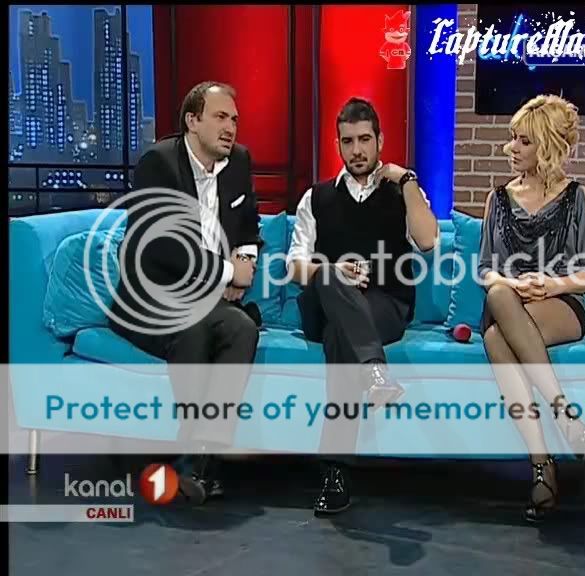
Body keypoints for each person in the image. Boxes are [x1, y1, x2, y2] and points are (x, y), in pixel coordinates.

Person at [109, 81, 262, 505]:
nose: (230, 127)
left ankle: (200, 462)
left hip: (204, 299)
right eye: (220, 117)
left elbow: (249, 224)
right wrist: (228, 272)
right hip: (152, 298)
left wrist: (243, 264)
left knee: (242, 329)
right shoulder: (158, 164)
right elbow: (162, 246)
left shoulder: (239, 161)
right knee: (192, 327)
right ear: (192, 121)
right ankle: (197, 459)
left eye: (234, 119)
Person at [287, 97, 439, 516]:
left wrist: (407, 179)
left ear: (380, 141)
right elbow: (295, 267)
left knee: (342, 336)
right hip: (323, 304)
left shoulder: (401, 192)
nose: (357, 150)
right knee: (329, 277)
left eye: (365, 140)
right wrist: (333, 271)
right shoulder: (316, 197)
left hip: (385, 305)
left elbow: (428, 241)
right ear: (337, 144)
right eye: (348, 141)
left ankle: (334, 473)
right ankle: (374, 370)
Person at [477, 94, 585, 522]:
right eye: (512, 138)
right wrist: (514, 284)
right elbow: (486, 270)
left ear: (546, 146)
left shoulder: (577, 197)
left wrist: (551, 284)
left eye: (523, 141)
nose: (511, 148)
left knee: (497, 338)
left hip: (560, 303)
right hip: (508, 300)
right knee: (498, 301)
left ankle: (542, 467)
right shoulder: (497, 199)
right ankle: (561, 424)